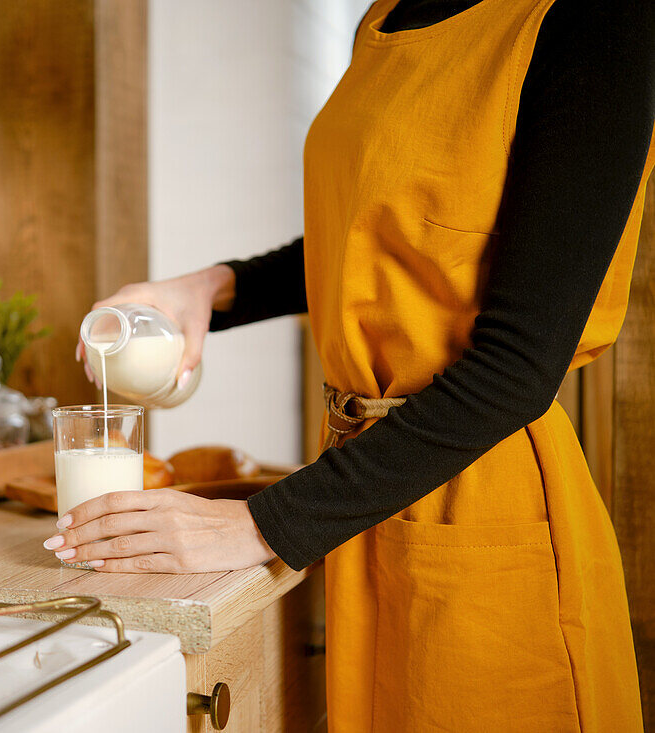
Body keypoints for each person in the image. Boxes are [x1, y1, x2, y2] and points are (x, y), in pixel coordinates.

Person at [42, 0, 655, 729]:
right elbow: (381, 236)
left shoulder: (591, 21)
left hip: (480, 495)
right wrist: (211, 285)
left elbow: (517, 367)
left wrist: (261, 525)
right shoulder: (384, 18)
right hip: (366, 494)